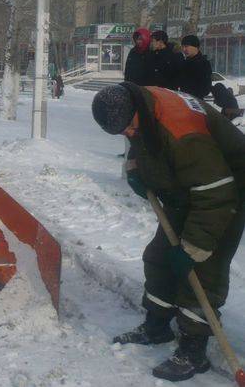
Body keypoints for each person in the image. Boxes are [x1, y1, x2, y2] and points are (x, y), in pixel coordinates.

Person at [92, 83, 245, 382]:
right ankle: (157, 326)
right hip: (190, 187)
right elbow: (145, 140)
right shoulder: (141, 106)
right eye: (120, 132)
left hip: (228, 192)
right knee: (160, 257)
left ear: (135, 111)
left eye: (128, 128)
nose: (127, 135)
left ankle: (193, 349)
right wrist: (137, 169)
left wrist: (193, 248)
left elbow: (216, 194)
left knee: (201, 269)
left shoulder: (183, 134)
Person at [176, 34, 212, 99]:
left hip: (195, 102)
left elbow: (206, 89)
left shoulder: (203, 63)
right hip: (184, 99)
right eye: (183, 47)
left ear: (195, 47)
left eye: (186, 46)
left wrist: (191, 95)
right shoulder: (184, 62)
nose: (184, 49)